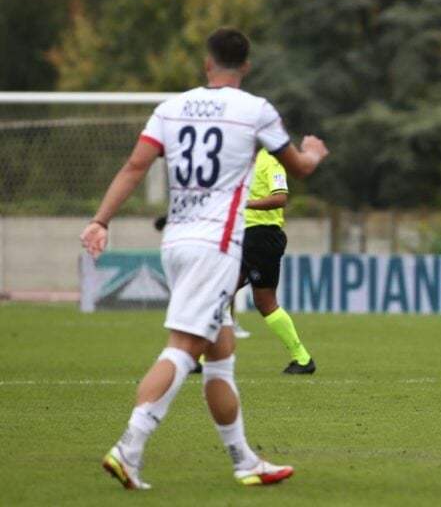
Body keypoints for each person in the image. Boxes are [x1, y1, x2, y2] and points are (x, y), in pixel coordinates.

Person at [81, 27, 329, 490]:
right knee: (183, 348)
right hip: (217, 247)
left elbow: (136, 166)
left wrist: (101, 220)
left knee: (220, 357)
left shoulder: (171, 109)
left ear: (206, 62)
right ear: (247, 66)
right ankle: (127, 448)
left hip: (177, 242)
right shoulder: (255, 110)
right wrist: (313, 152)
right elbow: (298, 168)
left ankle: (244, 461)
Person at [240, 148, 315, 374]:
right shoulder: (236, 158)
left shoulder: (270, 161)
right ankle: (200, 359)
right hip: (241, 236)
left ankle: (302, 359)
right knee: (218, 295)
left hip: (262, 237)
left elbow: (280, 198)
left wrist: (246, 204)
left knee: (264, 302)